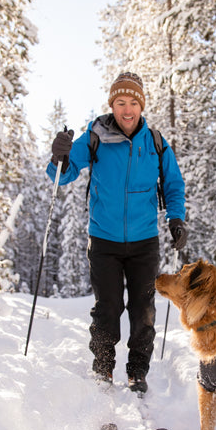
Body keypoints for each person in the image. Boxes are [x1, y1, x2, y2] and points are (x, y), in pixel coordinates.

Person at [47, 72, 187, 394]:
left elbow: (173, 183)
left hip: (144, 241)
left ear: (141, 106)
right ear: (112, 105)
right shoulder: (96, 135)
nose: (127, 109)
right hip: (104, 240)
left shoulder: (154, 141)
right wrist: (59, 155)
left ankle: (138, 372)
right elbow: (62, 174)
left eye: (133, 102)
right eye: (121, 102)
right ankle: (103, 369)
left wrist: (176, 218)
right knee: (107, 307)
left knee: (144, 309)